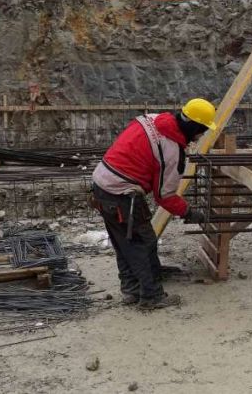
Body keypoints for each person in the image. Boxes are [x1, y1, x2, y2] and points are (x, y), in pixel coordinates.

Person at [90, 98, 216, 309]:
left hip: (101, 184)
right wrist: (188, 212)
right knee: (143, 243)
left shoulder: (153, 119)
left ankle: (131, 290)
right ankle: (151, 296)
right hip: (122, 193)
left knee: (124, 242)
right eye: (201, 131)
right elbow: (164, 196)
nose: (200, 136)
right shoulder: (171, 149)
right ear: (193, 127)